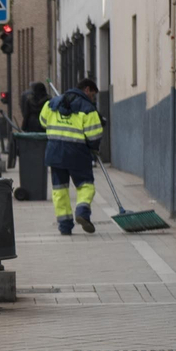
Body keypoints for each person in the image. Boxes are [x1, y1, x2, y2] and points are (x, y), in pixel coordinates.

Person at [40, 77, 104, 234]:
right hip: (78, 154)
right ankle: (82, 211)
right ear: (87, 90)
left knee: (59, 190)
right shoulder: (88, 108)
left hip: (54, 153)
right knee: (85, 185)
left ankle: (65, 226)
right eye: (93, 95)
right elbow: (94, 136)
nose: (93, 98)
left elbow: (42, 121)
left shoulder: (53, 103)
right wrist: (94, 149)